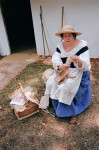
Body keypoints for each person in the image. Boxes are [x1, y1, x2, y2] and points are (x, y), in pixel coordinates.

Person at [44, 25, 92, 124]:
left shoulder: (82, 46)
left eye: (69, 35)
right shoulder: (60, 46)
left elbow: (86, 64)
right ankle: (58, 107)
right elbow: (55, 59)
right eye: (64, 36)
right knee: (51, 83)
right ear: (62, 37)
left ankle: (73, 112)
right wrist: (60, 66)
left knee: (66, 87)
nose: (67, 38)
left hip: (78, 71)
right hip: (63, 70)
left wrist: (78, 60)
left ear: (74, 36)